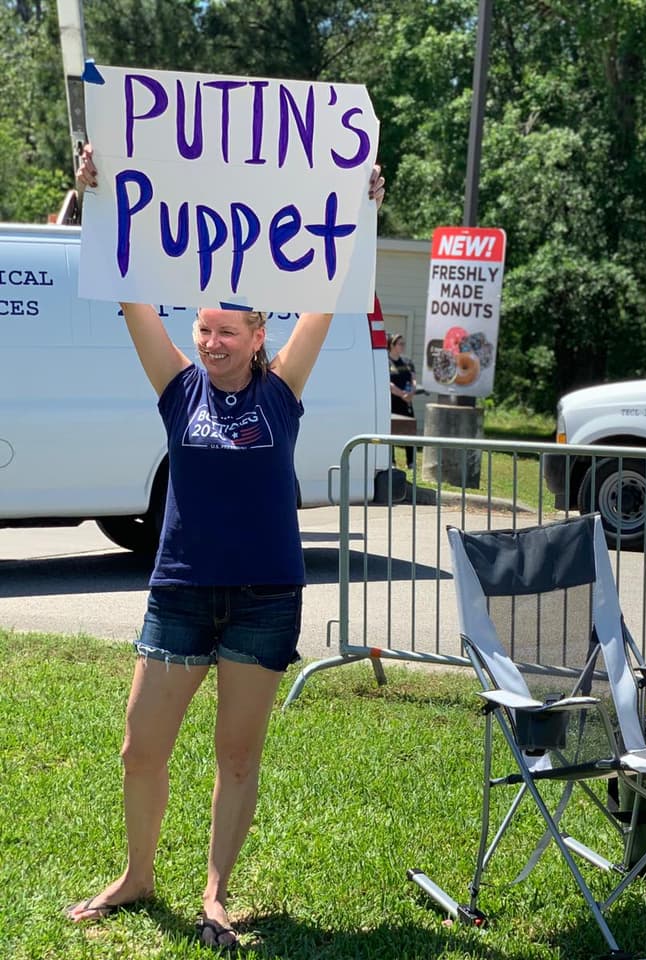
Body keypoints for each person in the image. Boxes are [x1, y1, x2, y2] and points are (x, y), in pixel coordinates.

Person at [64, 143, 385, 951]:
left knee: (237, 756)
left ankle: (214, 892)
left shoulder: (281, 391)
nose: (210, 342)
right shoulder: (178, 389)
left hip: (265, 598)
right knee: (140, 748)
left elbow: (327, 296)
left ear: (257, 335)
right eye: (203, 328)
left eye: (225, 332)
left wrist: (360, 207)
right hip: (180, 591)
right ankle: (138, 876)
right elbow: (133, 294)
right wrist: (97, 194)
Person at [388, 333, 418, 469]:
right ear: (392, 345)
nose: (403, 346)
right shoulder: (386, 362)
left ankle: (411, 461)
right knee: (390, 431)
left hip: (406, 402)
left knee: (409, 430)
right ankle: (391, 461)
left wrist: (412, 392)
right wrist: (402, 394)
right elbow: (388, 383)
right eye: (400, 344)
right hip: (392, 402)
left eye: (403, 344)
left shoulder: (407, 362)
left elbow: (413, 379)